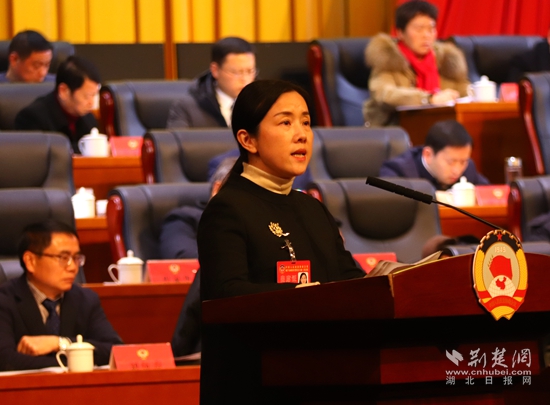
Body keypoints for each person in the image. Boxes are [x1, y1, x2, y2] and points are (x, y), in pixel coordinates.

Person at [198, 80, 365, 301]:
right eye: (286, 122)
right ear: (248, 140)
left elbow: (350, 279)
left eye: (306, 122)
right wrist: (299, 296)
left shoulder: (314, 209)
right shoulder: (226, 210)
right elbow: (226, 295)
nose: (302, 134)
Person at [0, 220, 122, 371]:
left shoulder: (86, 299)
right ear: (30, 261)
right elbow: (5, 360)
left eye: (76, 258)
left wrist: (60, 343)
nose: (73, 267)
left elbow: (115, 351)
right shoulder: (5, 301)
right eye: (63, 258)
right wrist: (77, 360)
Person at [363, 0, 470, 127]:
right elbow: (385, 95)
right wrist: (428, 99)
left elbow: (464, 91)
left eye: (431, 29)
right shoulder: (387, 60)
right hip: (396, 129)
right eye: (419, 29)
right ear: (400, 32)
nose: (426, 35)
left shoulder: (444, 61)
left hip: (439, 125)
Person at [14, 55, 100, 153]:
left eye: (94, 95)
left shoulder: (89, 119)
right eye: (87, 96)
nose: (91, 103)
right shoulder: (32, 118)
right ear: (64, 91)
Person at [167, 37, 256, 128]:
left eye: (250, 71)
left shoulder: (261, 104)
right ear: (215, 70)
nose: (245, 79)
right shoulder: (186, 108)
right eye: (236, 72)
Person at [379, 120, 489, 191]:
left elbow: (490, 194)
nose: (457, 170)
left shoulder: (469, 169)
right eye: (451, 162)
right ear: (428, 154)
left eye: (463, 162)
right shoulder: (399, 170)